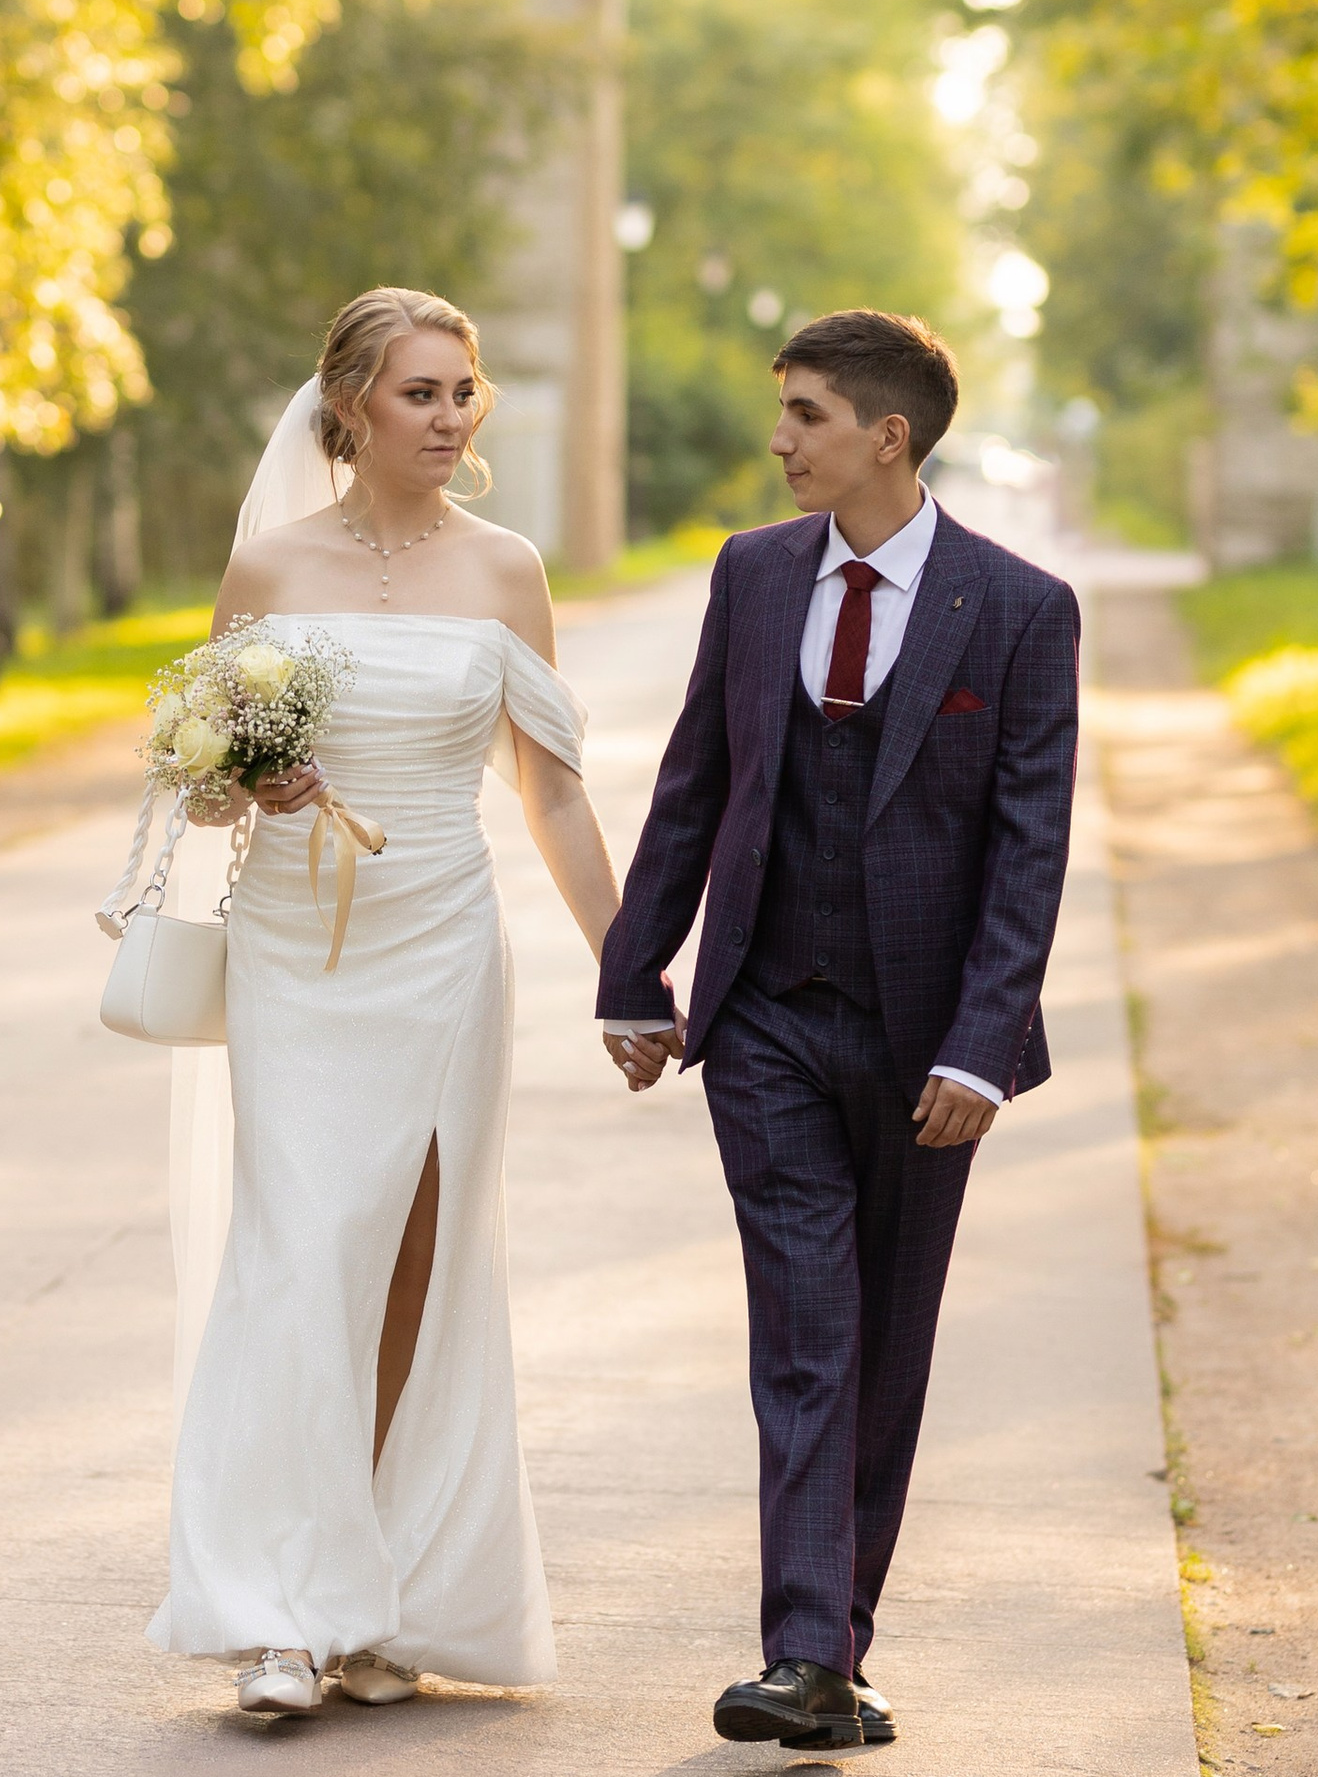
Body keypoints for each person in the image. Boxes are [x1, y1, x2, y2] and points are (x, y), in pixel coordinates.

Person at [595, 309, 1079, 1753]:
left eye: (804, 415)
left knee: (890, 1336)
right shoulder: (750, 578)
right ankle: (805, 1652)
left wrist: (982, 1044)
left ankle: (839, 1648)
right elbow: (696, 783)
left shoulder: (1019, 607)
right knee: (811, 1326)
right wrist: (637, 974)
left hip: (934, 1044)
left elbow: (1028, 844)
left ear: (889, 436)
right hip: (765, 1026)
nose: (779, 441)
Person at [146, 286, 625, 1718]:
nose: (451, 416)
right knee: (299, 1249)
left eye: (463, 390)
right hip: (301, 944)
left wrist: (633, 961)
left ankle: (376, 1600)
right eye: (422, 392)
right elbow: (199, 785)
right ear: (347, 404)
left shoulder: (507, 569)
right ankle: (275, 1612)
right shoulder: (270, 564)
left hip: (443, 943)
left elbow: (550, 788)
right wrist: (251, 776)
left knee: (420, 1257)